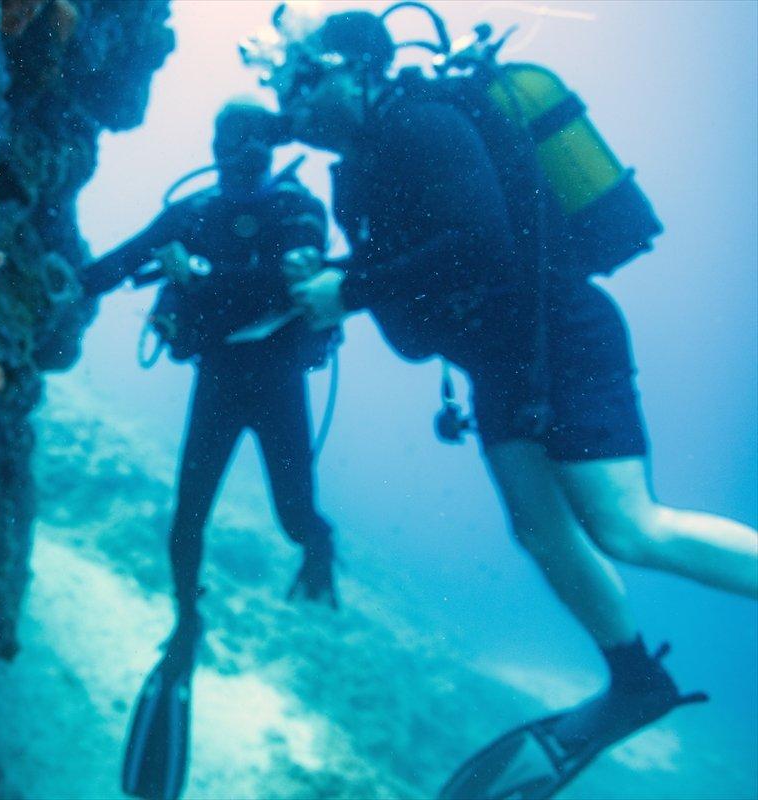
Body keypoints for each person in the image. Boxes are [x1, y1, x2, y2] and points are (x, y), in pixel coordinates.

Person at [263, 9, 758, 798]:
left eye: (299, 79)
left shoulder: (423, 122)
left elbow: (482, 241)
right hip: (498, 358)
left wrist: (348, 288)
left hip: (557, 334)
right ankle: (633, 678)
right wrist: (333, 280)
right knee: (540, 529)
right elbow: (414, 272)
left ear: (351, 68)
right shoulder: (359, 166)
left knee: (628, 526)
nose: (287, 99)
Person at [82, 98, 340, 800]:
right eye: (228, 138)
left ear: (268, 144)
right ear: (216, 144)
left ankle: (319, 545)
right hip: (221, 383)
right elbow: (122, 261)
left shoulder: (298, 206)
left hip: (280, 381)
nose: (239, 151)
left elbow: (298, 277)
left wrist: (199, 278)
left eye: (251, 139)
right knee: (185, 518)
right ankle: (186, 622)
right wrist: (60, 287)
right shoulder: (193, 213)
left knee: (294, 517)